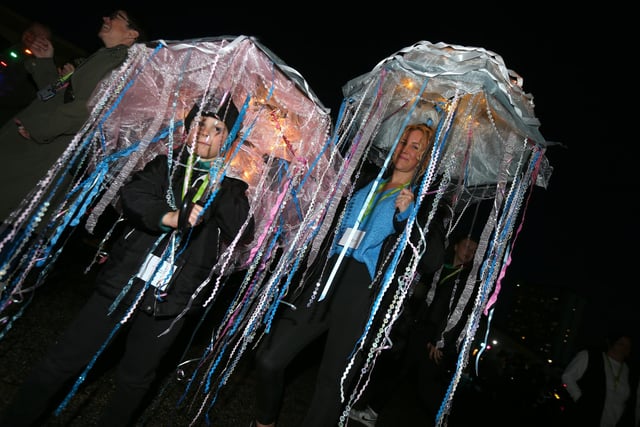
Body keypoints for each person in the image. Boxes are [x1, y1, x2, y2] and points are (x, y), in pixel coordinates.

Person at [0, 94, 255, 427]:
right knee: (63, 359)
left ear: (228, 138)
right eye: (198, 124)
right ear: (187, 129)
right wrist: (169, 217)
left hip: (171, 299)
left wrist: (222, 186)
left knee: (135, 379)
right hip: (123, 281)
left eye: (217, 128)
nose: (204, 133)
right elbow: (134, 197)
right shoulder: (164, 164)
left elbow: (244, 231)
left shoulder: (232, 188)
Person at [252, 123, 449, 427]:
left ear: (425, 159)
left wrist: (407, 216)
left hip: (361, 291)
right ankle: (265, 420)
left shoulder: (422, 205)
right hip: (327, 275)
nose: (405, 150)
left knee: (332, 383)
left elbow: (431, 260)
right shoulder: (368, 183)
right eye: (403, 142)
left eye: (415, 147)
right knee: (269, 358)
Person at [0, 9, 145, 223]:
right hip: (31, 145)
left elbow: (91, 108)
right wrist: (44, 62)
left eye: (114, 17)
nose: (105, 18)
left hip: (38, 150)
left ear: (132, 34)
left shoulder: (121, 63)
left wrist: (38, 128)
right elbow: (58, 97)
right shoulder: (103, 57)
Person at [348, 233, 479, 426]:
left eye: (474, 250)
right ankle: (372, 412)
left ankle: (446, 419)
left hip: (433, 335)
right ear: (455, 246)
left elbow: (457, 313)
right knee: (401, 371)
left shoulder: (465, 281)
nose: (469, 252)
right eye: (467, 246)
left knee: (424, 383)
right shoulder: (439, 266)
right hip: (419, 327)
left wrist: (440, 339)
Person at [561, 331, 633, 427]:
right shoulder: (590, 356)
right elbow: (567, 377)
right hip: (586, 420)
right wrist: (580, 399)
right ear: (611, 343)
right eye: (621, 344)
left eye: (628, 346)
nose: (624, 348)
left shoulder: (628, 370)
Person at [0, 22, 53, 123]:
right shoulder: (10, 47)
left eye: (38, 37)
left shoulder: (38, 70)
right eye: (31, 32)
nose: (31, 37)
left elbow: (20, 99)